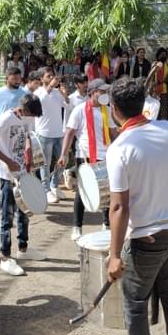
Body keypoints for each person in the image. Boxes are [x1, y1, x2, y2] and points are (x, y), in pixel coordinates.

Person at [105, 77, 168, 335]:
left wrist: (114, 255)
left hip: (148, 238)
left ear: (114, 109)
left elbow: (119, 206)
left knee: (136, 302)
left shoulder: (119, 148)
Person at [0, 94, 47, 276]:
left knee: (24, 213)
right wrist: (8, 161)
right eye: (32, 115)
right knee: (7, 216)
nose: (32, 119)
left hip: (22, 172)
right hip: (7, 175)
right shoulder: (6, 118)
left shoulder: (27, 118)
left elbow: (27, 136)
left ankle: (23, 249)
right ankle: (5, 257)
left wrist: (28, 149)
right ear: (24, 110)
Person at [58, 79, 118, 240]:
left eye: (106, 92)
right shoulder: (79, 110)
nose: (105, 94)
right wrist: (64, 154)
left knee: (106, 191)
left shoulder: (107, 110)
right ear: (92, 92)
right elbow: (69, 133)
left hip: (105, 156)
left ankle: (106, 224)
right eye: (102, 91)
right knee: (82, 192)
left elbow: (113, 133)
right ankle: (77, 227)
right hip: (85, 156)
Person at [34, 67, 68, 203]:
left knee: (63, 160)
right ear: (41, 78)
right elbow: (40, 102)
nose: (52, 78)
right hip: (44, 133)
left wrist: (65, 95)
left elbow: (68, 105)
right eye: (49, 76)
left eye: (53, 76)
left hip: (58, 133)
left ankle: (54, 185)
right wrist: (51, 87)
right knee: (45, 164)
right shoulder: (38, 92)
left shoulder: (57, 92)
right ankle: (46, 190)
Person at [153, 48, 168, 121]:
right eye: (161, 54)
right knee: (155, 111)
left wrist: (159, 82)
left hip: (165, 92)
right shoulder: (154, 64)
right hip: (155, 92)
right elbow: (151, 77)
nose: (163, 56)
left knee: (164, 111)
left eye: (164, 54)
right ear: (158, 55)